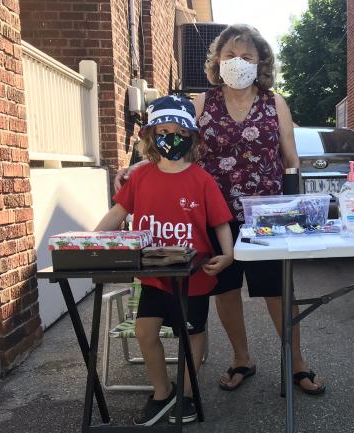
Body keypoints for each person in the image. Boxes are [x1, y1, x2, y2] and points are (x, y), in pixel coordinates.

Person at [115, 24, 325, 395]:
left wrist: (297, 210)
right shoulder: (200, 103)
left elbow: (291, 159)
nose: (237, 62)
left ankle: (297, 363)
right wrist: (135, 167)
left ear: (260, 62)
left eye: (247, 56)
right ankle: (242, 359)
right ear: (217, 61)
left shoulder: (274, 103)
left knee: (278, 292)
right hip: (212, 215)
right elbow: (169, 137)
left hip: (266, 218)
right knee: (225, 291)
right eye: (230, 55)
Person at [96, 95, 234, 426]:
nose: (171, 136)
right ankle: (161, 390)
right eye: (163, 129)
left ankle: (186, 394)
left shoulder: (201, 179)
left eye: (179, 131)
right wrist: (90, 241)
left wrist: (227, 254)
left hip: (194, 278)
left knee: (193, 333)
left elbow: (220, 222)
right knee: (146, 332)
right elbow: (117, 212)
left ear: (191, 137)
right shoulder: (140, 178)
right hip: (152, 276)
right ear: (150, 135)